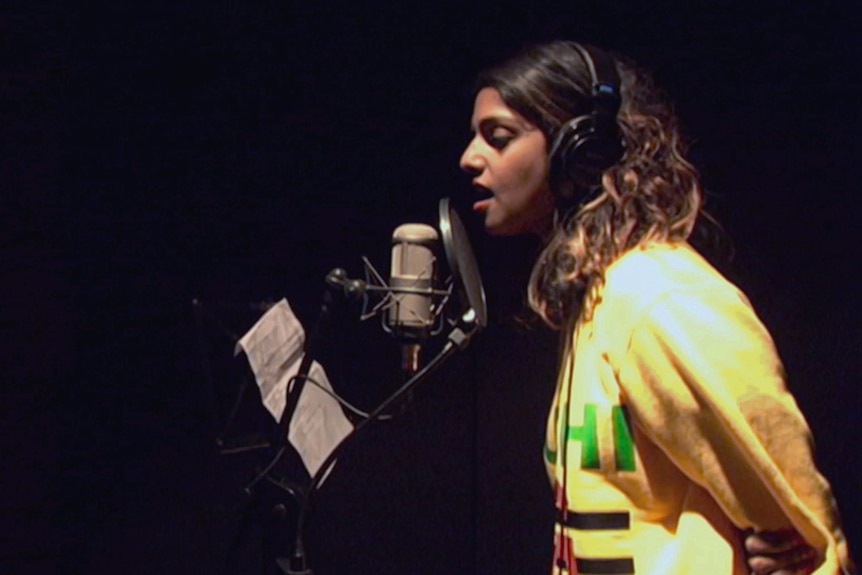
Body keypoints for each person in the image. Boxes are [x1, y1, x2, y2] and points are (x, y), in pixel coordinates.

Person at [459, 40, 853, 575]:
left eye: (498, 137)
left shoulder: (661, 299)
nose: (469, 157)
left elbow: (804, 538)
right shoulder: (600, 297)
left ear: (582, 148)